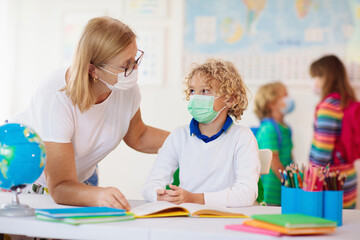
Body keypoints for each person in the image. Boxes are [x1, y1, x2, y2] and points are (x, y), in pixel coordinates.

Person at [5, 17, 169, 210]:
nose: (134, 70)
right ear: (93, 70)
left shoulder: (125, 89)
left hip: (80, 178)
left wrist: (186, 141)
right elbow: (59, 186)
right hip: (29, 183)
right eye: (126, 65)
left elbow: (138, 136)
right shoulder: (55, 95)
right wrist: (98, 195)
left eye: (135, 59)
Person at [141, 58, 260, 207]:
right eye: (192, 91)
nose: (196, 97)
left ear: (230, 98)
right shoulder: (179, 136)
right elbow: (150, 185)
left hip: (226, 218)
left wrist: (195, 199)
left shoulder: (242, 137)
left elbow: (246, 193)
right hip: (187, 217)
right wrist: (159, 195)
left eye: (205, 91)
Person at [309, 55, 357, 209]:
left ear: (326, 77)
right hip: (348, 175)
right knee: (344, 225)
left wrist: (311, 179)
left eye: (316, 76)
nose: (314, 82)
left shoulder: (328, 107)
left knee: (325, 224)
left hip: (330, 180)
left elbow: (322, 151)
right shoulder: (346, 101)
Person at [253, 82, 294, 205]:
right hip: (271, 192)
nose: (289, 99)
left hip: (282, 189)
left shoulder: (285, 128)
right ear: (271, 104)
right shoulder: (269, 129)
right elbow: (274, 161)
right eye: (285, 96)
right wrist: (290, 182)